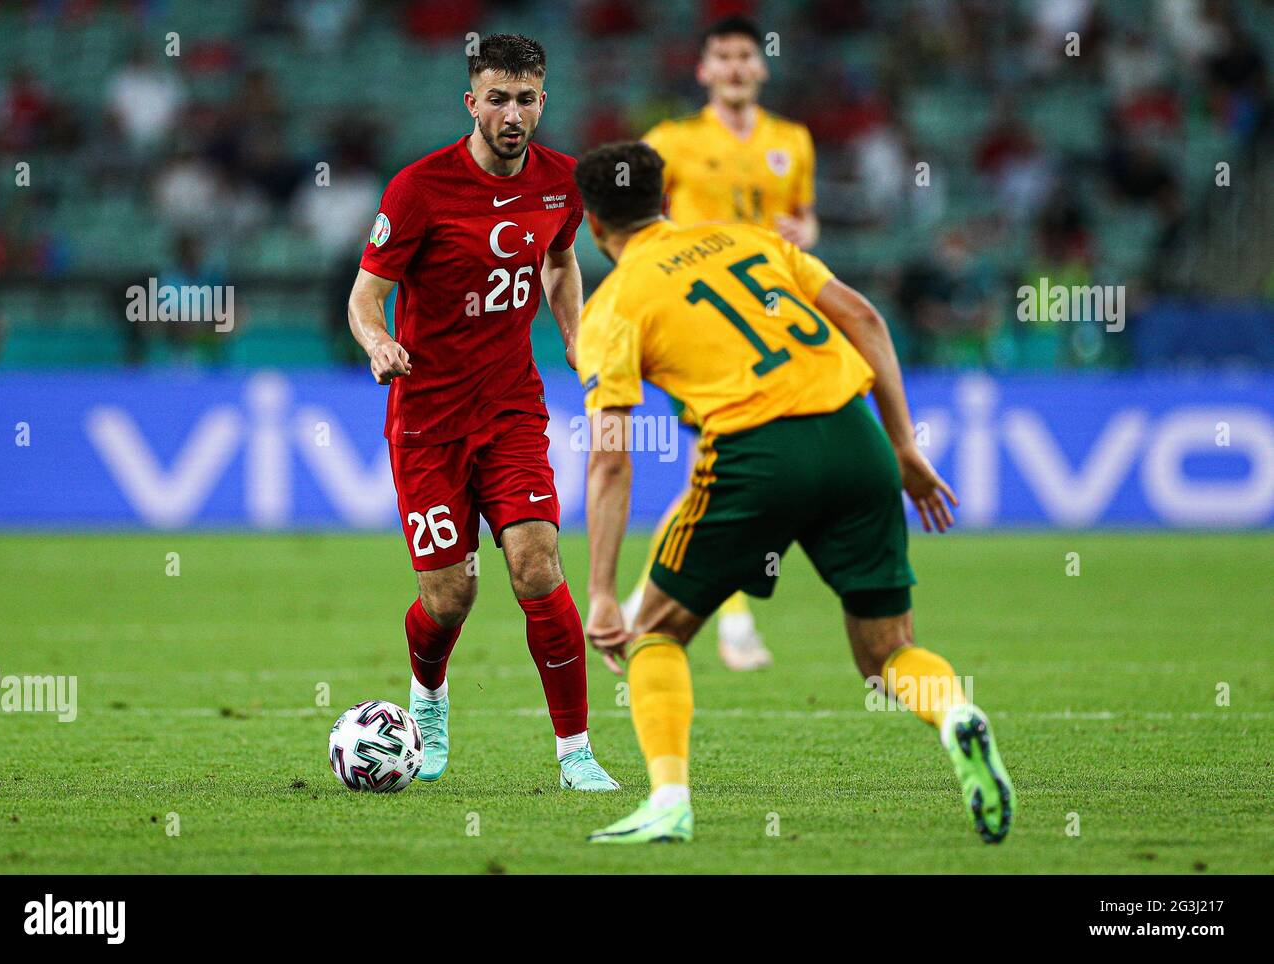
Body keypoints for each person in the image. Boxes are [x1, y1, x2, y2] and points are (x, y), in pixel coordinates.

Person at [572, 142, 1013, 843]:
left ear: (591, 225)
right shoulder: (747, 238)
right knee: (888, 653)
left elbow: (609, 458)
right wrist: (903, 446)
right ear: (664, 199)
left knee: (654, 631)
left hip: (757, 456)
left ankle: (668, 802)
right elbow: (865, 318)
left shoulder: (613, 304)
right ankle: (956, 709)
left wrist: (600, 587)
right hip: (855, 438)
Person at [346, 34, 616, 791]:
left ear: (542, 103)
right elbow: (365, 296)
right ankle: (427, 698)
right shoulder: (418, 189)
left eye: (526, 98)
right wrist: (378, 344)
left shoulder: (564, 182)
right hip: (427, 420)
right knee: (451, 593)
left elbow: (561, 260)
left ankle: (576, 754)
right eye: (497, 97)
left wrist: (573, 333)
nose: (512, 112)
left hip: (511, 410)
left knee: (536, 564)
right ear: (472, 102)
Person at [622, 15, 821, 670]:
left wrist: (804, 230)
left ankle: (639, 601)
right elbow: (635, 217)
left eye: (745, 57)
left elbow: (804, 219)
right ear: (704, 70)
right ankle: (732, 622)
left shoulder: (792, 141)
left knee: (721, 474)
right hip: (703, 322)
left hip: (770, 322)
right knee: (729, 465)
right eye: (723, 58)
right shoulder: (672, 140)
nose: (736, 68)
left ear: (761, 67)